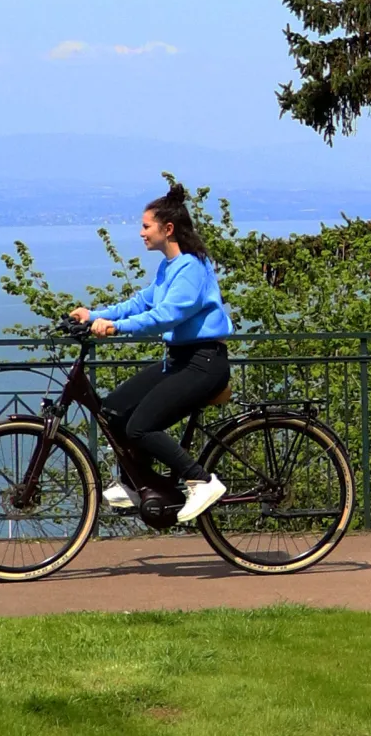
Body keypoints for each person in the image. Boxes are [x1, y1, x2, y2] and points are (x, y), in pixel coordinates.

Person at [69, 183, 233, 523]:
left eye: (146, 226)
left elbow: (168, 315)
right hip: (180, 361)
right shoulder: (169, 268)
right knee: (113, 410)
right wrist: (95, 315)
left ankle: (201, 481)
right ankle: (136, 483)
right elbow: (141, 302)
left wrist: (117, 328)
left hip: (203, 363)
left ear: (167, 229)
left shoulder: (191, 267)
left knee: (140, 428)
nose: (141, 233)